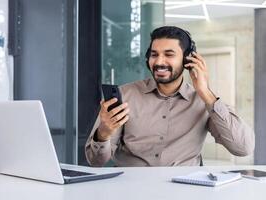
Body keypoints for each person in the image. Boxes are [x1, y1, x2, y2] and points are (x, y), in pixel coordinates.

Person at [85, 26, 255, 167]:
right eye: (154, 54)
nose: (159, 62)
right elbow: (95, 161)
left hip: (185, 189)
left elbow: (243, 148)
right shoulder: (125, 95)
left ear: (188, 60)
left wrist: (205, 93)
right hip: (131, 188)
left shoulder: (203, 100)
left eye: (169, 54)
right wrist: (103, 133)